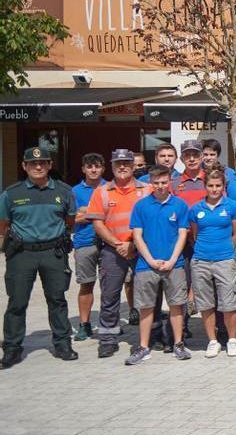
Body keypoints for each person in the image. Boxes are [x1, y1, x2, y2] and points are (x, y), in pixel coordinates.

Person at [0, 147, 77, 369]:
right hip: (21, 254)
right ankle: (12, 348)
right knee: (17, 302)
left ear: (50, 165)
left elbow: (69, 220)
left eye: (43, 162)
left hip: (53, 253)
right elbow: (4, 224)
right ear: (24, 166)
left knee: (57, 300)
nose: (38, 166)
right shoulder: (11, 193)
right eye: (33, 163)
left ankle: (62, 344)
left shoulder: (64, 191)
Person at [125, 165, 191, 365]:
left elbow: (182, 234)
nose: (161, 186)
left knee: (176, 305)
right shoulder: (141, 206)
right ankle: (144, 346)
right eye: (156, 183)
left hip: (175, 263)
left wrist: (172, 259)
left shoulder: (179, 205)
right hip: (147, 264)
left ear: (170, 181)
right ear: (151, 183)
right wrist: (151, 260)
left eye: (164, 182)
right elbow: (137, 236)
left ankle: (178, 343)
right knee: (146, 307)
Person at [86, 149, 150, 357]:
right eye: (118, 164)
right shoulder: (102, 192)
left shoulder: (147, 190)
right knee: (110, 295)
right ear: (112, 167)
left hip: (141, 249)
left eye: (126, 163)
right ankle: (108, 339)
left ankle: (153, 335)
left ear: (133, 166)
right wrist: (118, 244)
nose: (122, 167)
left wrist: (132, 243)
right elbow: (98, 223)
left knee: (149, 294)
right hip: (113, 251)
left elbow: (151, 220)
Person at [188, 168, 236, 358]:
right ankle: (213, 340)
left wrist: (225, 250)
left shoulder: (233, 206)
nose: (214, 189)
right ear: (205, 186)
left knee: (228, 302)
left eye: (218, 185)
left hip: (224, 260)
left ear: (223, 187)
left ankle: (232, 339)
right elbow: (194, 235)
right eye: (210, 185)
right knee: (206, 303)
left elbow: (235, 234)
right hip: (201, 260)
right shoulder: (196, 209)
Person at [71, 153, 106, 342]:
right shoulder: (74, 192)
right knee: (86, 284)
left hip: (109, 242)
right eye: (89, 166)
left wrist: (86, 211)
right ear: (83, 169)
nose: (93, 170)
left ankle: (110, 322)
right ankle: (84, 324)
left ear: (103, 168)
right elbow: (71, 219)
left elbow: (112, 213)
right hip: (84, 242)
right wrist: (97, 213)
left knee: (112, 285)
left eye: (97, 166)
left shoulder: (110, 188)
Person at [173, 139, 207, 206]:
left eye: (196, 155)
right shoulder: (174, 183)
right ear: (181, 159)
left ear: (202, 157)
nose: (192, 159)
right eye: (187, 155)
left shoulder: (212, 180)